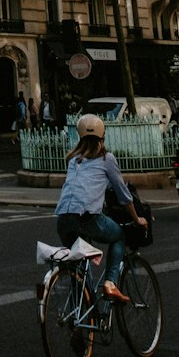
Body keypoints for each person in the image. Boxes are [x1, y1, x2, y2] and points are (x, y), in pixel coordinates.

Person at [54, 113, 146, 302]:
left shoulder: (73, 160)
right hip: (87, 218)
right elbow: (123, 195)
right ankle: (110, 283)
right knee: (119, 235)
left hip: (63, 218)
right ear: (103, 136)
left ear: (79, 137)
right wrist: (137, 219)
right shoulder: (107, 159)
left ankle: (81, 317)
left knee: (77, 267)